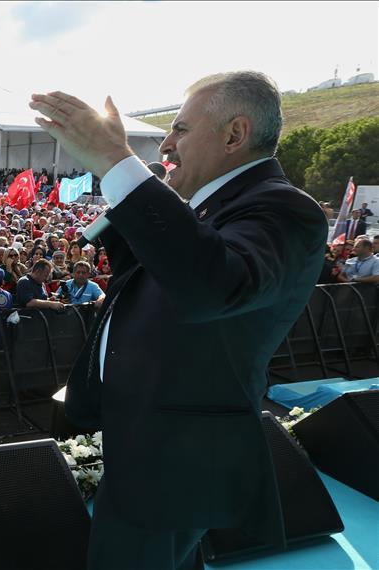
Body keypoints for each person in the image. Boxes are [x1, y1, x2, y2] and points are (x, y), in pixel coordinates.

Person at [31, 71, 328, 569]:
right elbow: (156, 280)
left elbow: (211, 285)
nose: (167, 143)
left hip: (176, 458)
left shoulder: (282, 209)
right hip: (153, 443)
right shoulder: (204, 208)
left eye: (182, 129)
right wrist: (125, 188)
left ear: (235, 135)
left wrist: (117, 163)